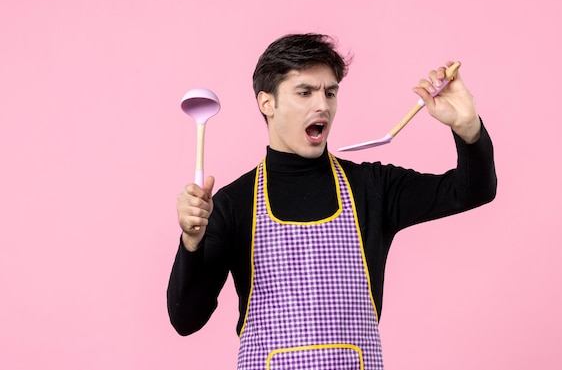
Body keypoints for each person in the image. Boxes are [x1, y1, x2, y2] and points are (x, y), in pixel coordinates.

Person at [167, 33, 497, 369]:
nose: (322, 104)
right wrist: (191, 242)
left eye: (330, 92)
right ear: (267, 103)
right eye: (305, 92)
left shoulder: (372, 187)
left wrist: (468, 128)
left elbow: (472, 191)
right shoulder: (232, 203)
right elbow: (186, 319)